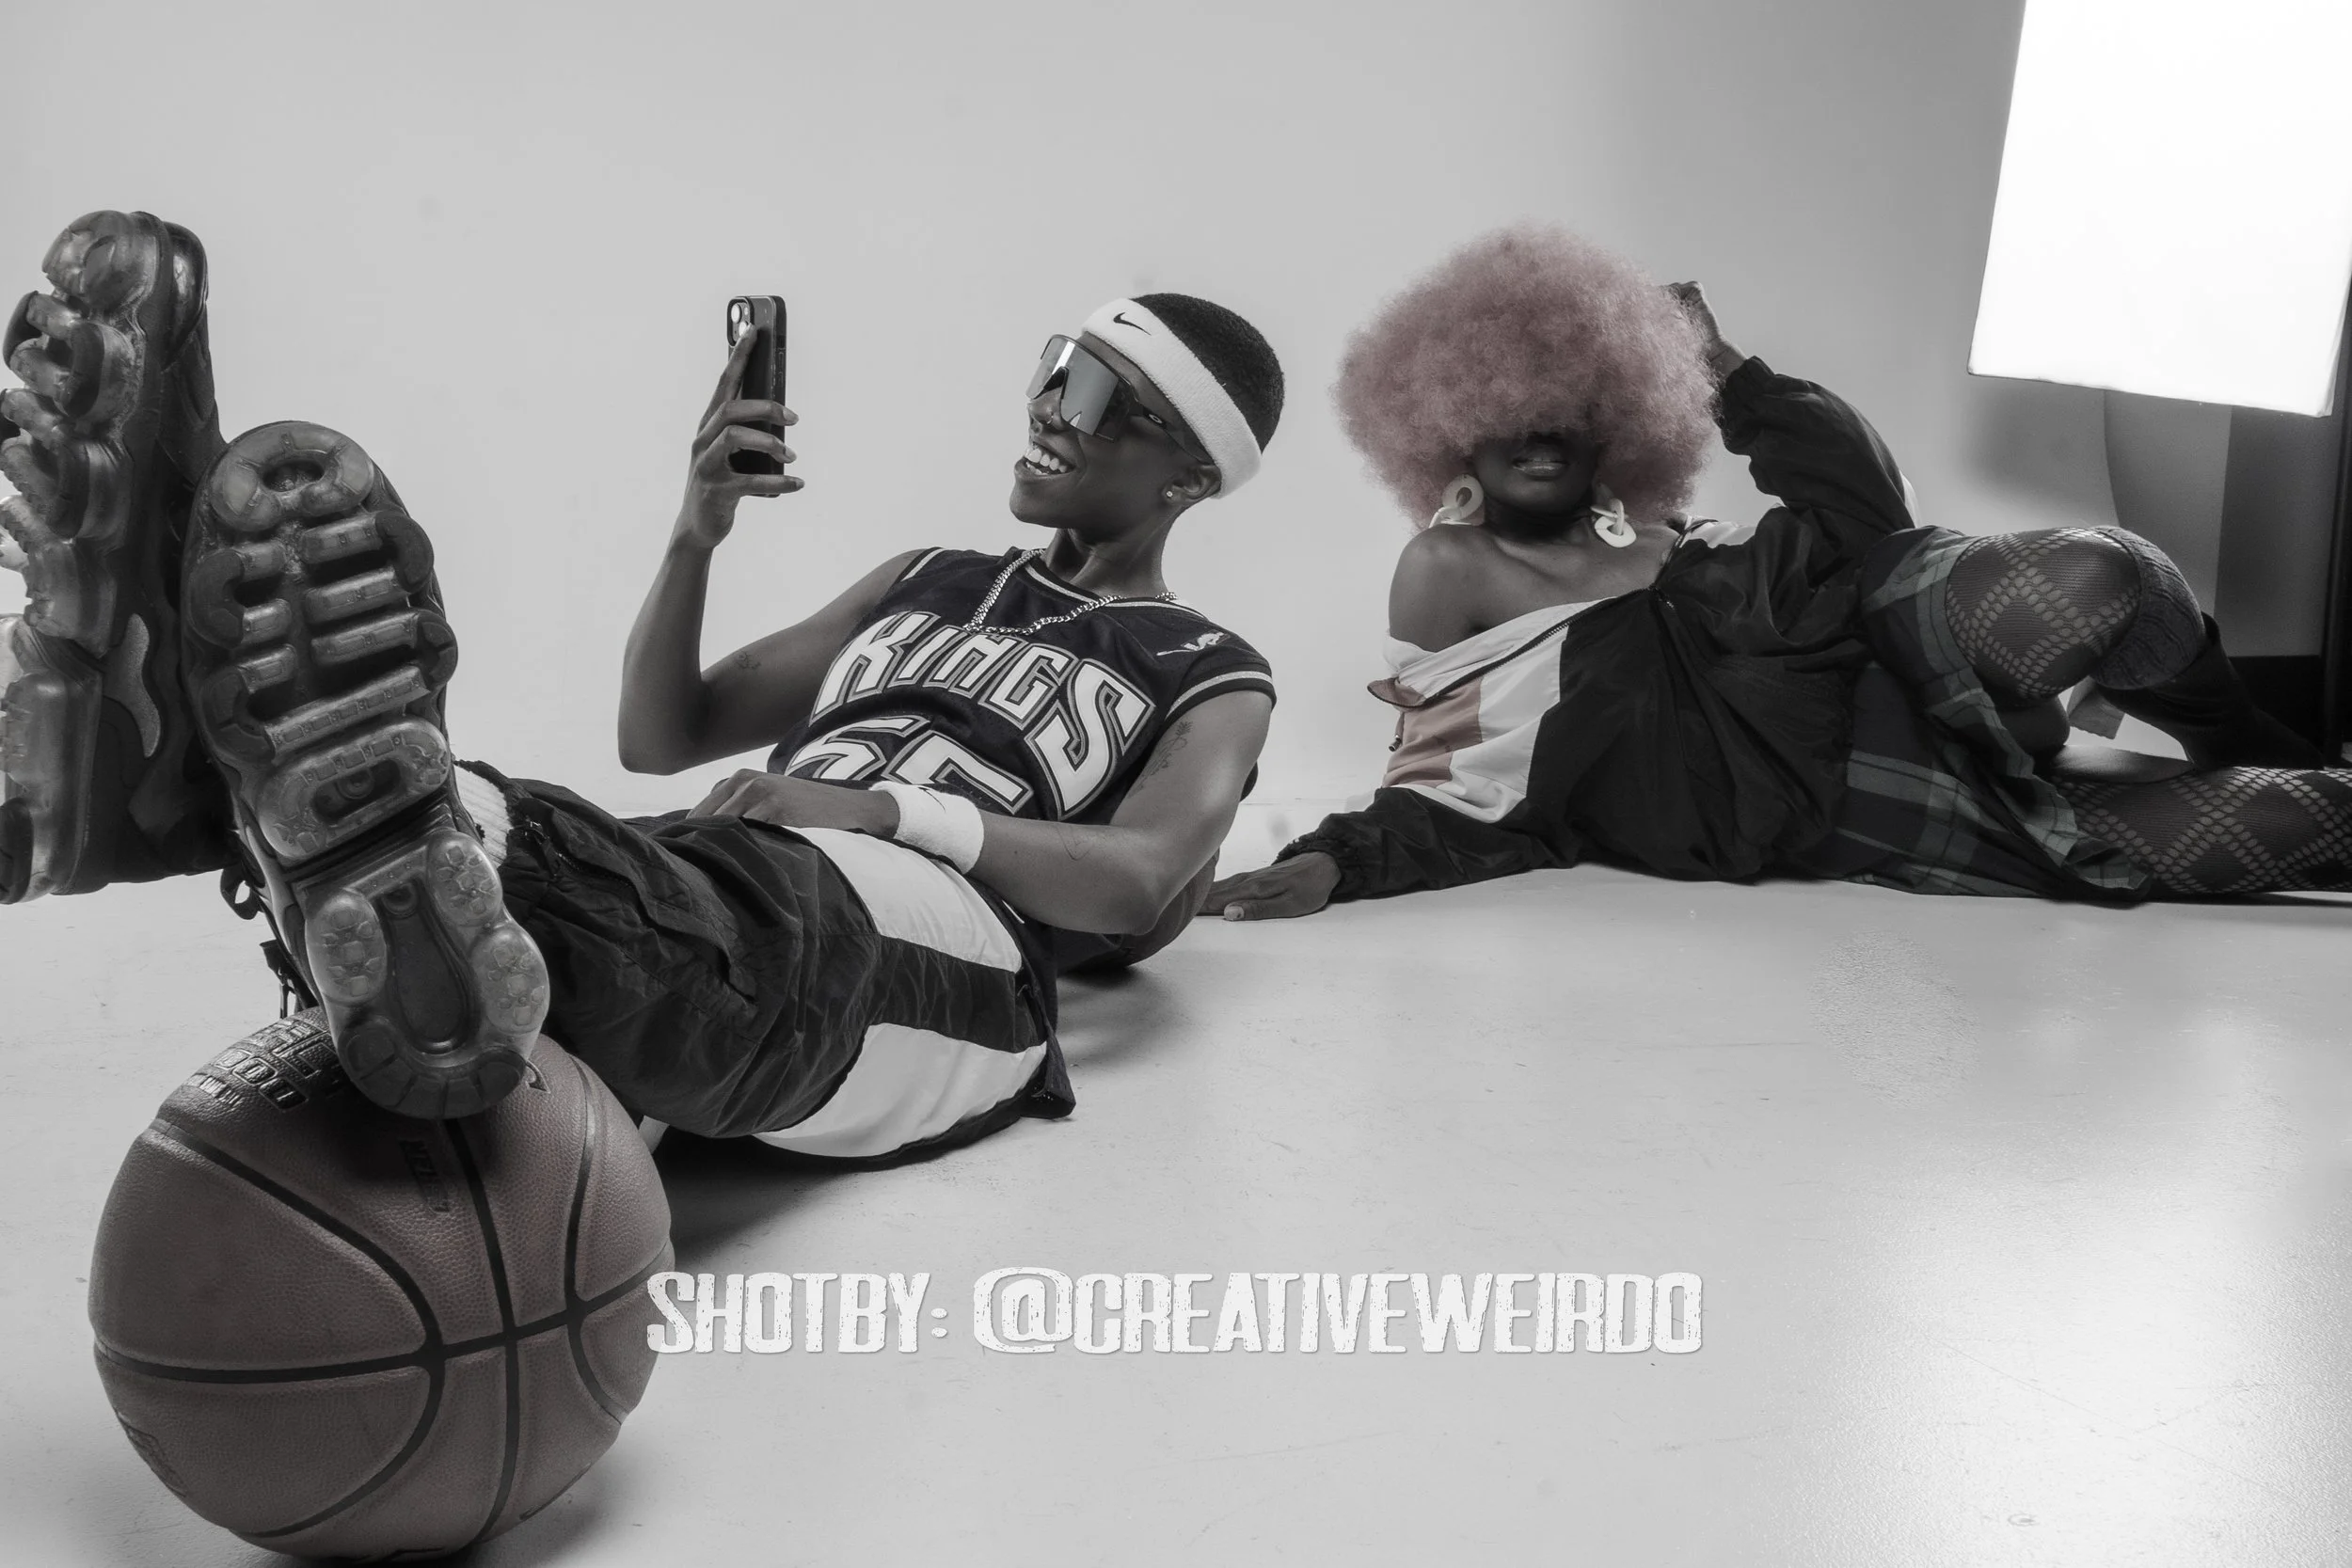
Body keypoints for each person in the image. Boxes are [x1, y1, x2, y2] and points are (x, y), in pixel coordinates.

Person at [0, 209, 1281, 1162]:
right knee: (566, 858)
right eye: (1056, 367)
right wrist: (696, 528)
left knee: (712, 920)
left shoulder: (1211, 668)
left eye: (1097, 394)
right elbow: (663, 731)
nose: (1050, 406)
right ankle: (216, 779)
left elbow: (1142, 875)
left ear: (1188, 474)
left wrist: (890, 813)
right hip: (730, 856)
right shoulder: (931, 578)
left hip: (955, 958)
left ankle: (224, 776)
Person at [1205, 226, 2344, 923]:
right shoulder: (1451, 564)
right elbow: (1447, 767)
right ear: (1450, 424)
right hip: (1876, 801)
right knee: (2318, 821)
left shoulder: (1680, 542)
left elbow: (1871, 524)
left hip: (1912, 655)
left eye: (1569, 406)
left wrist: (1728, 371)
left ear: (1619, 421)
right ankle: (2246, 761)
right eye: (1506, 409)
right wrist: (1339, 863)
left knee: (2105, 575)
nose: (1539, 431)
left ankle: (2232, 724)